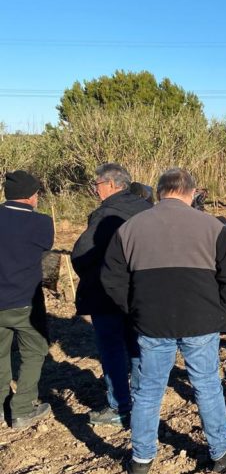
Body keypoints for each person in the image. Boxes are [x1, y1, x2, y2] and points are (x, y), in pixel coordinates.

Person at [102, 168, 226, 474]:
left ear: (159, 193)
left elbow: (112, 279)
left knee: (148, 391)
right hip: (202, 321)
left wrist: (134, 309)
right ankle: (222, 454)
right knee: (207, 386)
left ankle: (141, 460)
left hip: (152, 323)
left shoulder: (130, 228)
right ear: (191, 193)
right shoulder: (212, 226)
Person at [71, 163, 152, 428]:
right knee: (138, 346)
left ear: (112, 184)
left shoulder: (105, 214)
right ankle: (142, 402)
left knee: (112, 348)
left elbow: (82, 254)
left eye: (97, 185)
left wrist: (92, 275)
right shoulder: (146, 209)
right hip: (141, 290)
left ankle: (120, 406)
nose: (95, 190)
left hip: (107, 293)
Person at [0, 171, 54, 429]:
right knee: (34, 351)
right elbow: (46, 247)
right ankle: (22, 408)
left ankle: (1, 406)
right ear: (32, 196)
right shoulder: (40, 223)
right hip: (25, 301)